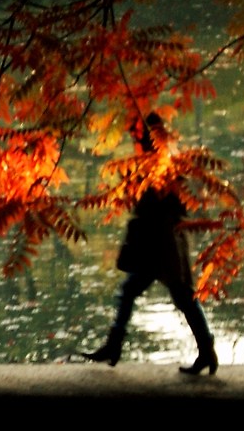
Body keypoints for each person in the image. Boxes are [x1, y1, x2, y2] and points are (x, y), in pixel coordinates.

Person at [81, 114, 219, 374]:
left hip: (161, 242)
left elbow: (153, 203)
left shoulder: (159, 165)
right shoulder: (164, 162)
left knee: (180, 295)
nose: (132, 139)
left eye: (136, 135)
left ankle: (116, 345)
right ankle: (205, 350)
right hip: (160, 241)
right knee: (153, 293)